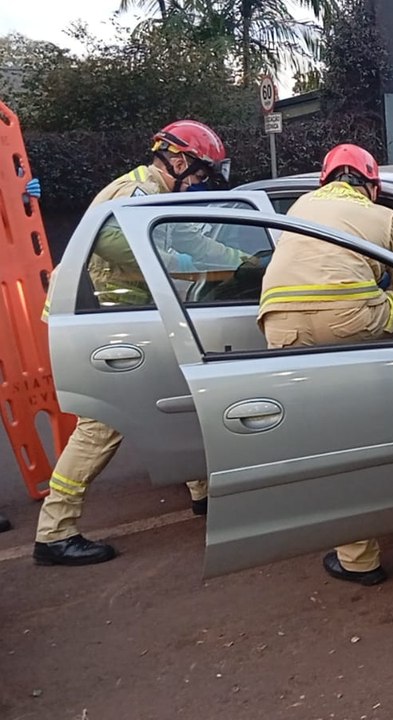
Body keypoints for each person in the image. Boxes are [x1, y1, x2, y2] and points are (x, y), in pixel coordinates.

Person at [34, 120, 243, 567]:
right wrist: (170, 260)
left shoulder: (159, 197)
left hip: (127, 317)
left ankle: (203, 491)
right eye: (201, 172)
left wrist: (250, 264)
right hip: (100, 319)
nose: (201, 182)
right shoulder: (136, 195)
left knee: (182, 399)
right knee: (101, 426)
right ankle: (55, 532)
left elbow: (196, 242)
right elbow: (113, 242)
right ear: (179, 161)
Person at [257, 143, 393, 586]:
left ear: (326, 180)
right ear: (371, 186)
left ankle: (353, 555)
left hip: (279, 323)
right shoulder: (385, 217)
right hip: (348, 318)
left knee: (326, 439)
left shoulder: (299, 206)